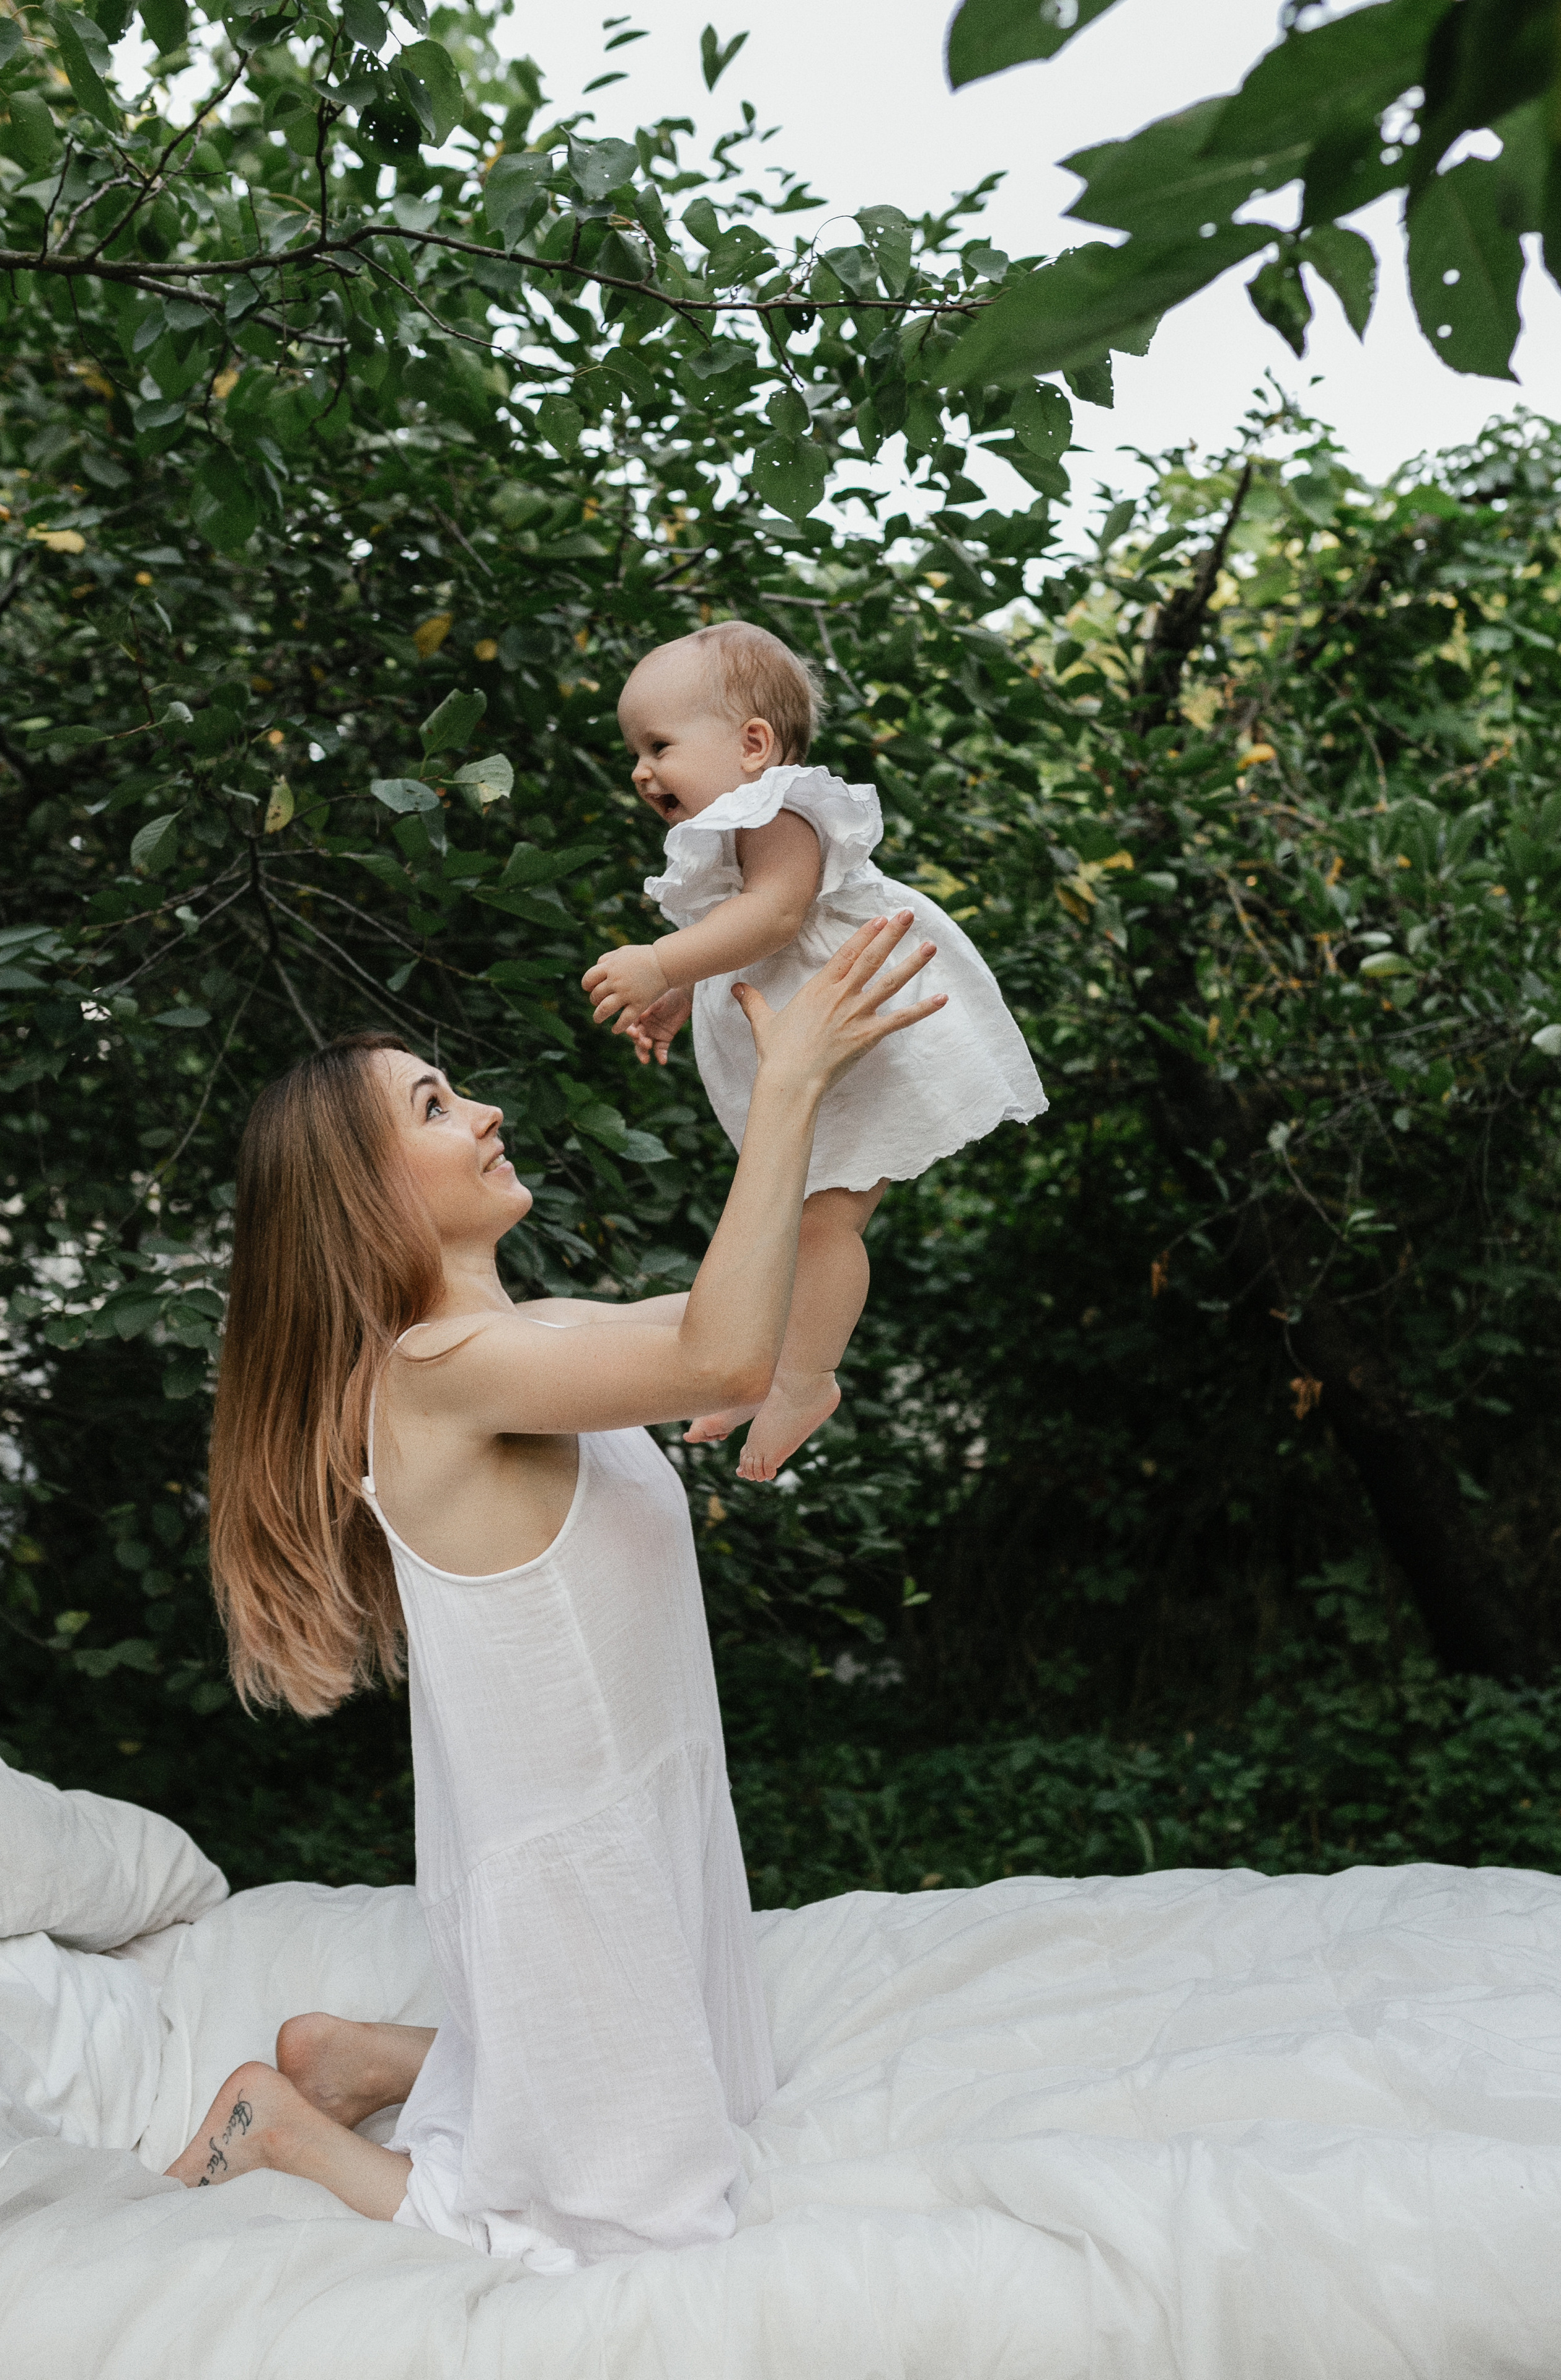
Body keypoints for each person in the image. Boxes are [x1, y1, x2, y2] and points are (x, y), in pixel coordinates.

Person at [165, 912, 944, 2266]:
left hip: (644, 1828)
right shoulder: (432, 1375)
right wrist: (785, 1094)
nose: (484, 1110)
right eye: (434, 1103)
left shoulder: (530, 1338)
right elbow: (714, 1359)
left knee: (713, 2102)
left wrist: (843, 1146)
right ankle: (282, 2118)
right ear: (363, 1190)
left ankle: (368, 2054)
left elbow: (757, 1346)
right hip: (566, 1870)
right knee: (603, 2224)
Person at [581, 620, 1046, 1483]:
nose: (641, 771)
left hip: (852, 1026)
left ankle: (805, 1378)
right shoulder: (742, 826)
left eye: (659, 744)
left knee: (826, 1218)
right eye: (634, 752)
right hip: (823, 1035)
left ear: (753, 744)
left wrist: (658, 962)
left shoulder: (780, 808)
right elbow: (744, 930)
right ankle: (773, 1369)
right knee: (801, 1223)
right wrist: (686, 988)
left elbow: (776, 919)